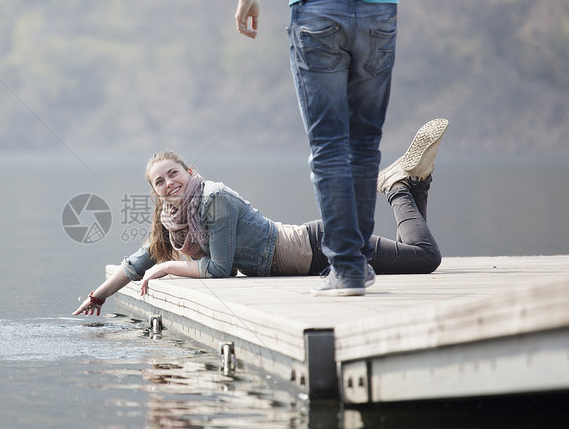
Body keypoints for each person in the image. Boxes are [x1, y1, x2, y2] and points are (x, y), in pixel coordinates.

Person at [73, 119, 448, 315]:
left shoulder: (213, 200)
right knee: (414, 254)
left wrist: (167, 269)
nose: (169, 183)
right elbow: (141, 260)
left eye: (174, 173)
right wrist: (98, 296)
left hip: (318, 248)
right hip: (306, 256)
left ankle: (398, 187)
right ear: (155, 192)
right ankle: (415, 183)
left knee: (425, 258)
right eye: (160, 181)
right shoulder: (174, 219)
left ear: (188, 171)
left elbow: (220, 270)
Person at [235, 0, 415, 296]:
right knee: (365, 146)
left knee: (329, 147)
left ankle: (347, 268)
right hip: (379, 8)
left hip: (318, 10)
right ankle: (358, 263)